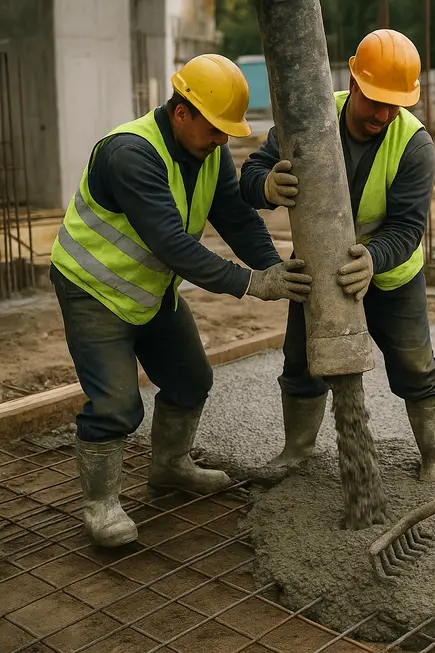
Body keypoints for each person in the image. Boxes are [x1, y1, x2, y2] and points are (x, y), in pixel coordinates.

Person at [50, 53, 313, 548]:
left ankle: (169, 466)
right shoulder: (130, 154)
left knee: (191, 378)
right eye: (215, 129)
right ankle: (101, 506)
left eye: (226, 132)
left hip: (150, 288)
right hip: (93, 289)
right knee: (115, 404)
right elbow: (174, 245)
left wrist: (272, 267)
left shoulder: (207, 153)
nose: (223, 141)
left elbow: (235, 216)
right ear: (181, 112)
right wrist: (252, 284)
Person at [239, 29, 435, 482]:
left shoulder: (413, 144)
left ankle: (433, 454)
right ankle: (297, 449)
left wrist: (373, 258)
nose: (385, 113)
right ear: (353, 84)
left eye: (396, 104)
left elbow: (408, 228)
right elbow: (250, 173)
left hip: (390, 275)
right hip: (316, 270)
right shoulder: (310, 118)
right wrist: (267, 186)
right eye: (376, 101)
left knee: (414, 364)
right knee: (301, 360)